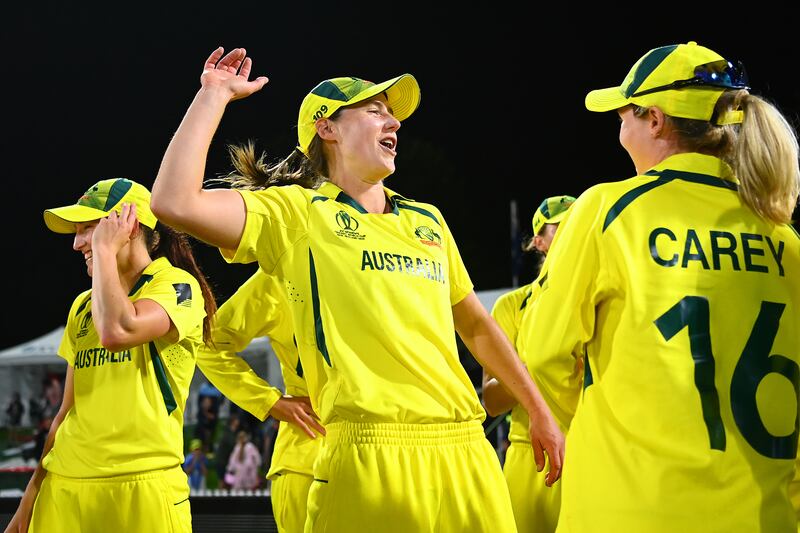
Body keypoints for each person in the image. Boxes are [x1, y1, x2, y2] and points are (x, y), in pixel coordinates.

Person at [151, 46, 564, 531]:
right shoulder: (298, 214)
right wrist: (213, 96)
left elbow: (473, 322)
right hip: (368, 450)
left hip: (465, 445)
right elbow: (174, 201)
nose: (393, 123)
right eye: (375, 111)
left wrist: (537, 408)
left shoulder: (427, 219)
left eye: (393, 115)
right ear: (327, 128)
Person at [524, 41, 800, 532]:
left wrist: (598, 430)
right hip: (764, 514)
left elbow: (545, 356)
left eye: (625, 112)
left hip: (631, 510)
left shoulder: (610, 211)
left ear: (654, 119)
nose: (619, 124)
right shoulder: (784, 238)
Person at [4, 178, 217, 533]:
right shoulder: (83, 307)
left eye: (88, 228)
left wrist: (103, 251)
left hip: (142, 488)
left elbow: (118, 331)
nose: (76, 243)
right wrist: (29, 501)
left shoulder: (178, 288)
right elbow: (65, 412)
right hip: (65, 487)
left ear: (128, 225)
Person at [202, 267, 324, 533]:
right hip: (309, 454)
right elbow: (210, 343)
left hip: (388, 451)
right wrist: (271, 402)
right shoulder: (281, 274)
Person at [482, 195, 576, 533]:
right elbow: (491, 401)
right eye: (561, 227)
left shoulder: (601, 296)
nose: (573, 233)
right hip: (531, 457)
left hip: (592, 449)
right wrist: (537, 365)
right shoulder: (512, 307)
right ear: (539, 241)